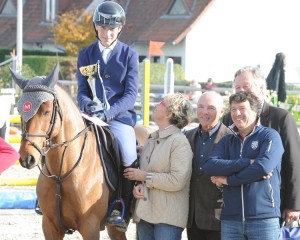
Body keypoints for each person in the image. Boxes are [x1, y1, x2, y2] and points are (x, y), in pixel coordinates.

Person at [76, 1, 139, 232]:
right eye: (102, 28)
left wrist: (109, 112)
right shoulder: (85, 54)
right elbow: (82, 90)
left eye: (111, 29)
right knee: (59, 139)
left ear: (119, 29)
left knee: (129, 152)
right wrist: (87, 104)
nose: (107, 33)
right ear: (96, 27)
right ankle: (47, 196)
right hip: (90, 116)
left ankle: (121, 205)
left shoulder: (129, 55)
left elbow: (131, 95)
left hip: (118, 118)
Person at [223, 66, 300, 224]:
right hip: (236, 206)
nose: (241, 91)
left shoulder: (280, 118)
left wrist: (294, 205)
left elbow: (294, 162)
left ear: (262, 88)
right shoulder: (228, 120)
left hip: (271, 205)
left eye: (246, 86)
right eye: (237, 88)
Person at [204, 91, 284, 240]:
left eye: (242, 109)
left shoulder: (270, 136)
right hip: (230, 221)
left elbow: (263, 167)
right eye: (233, 109)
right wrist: (247, 162)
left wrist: (228, 180)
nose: (237, 113)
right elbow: (209, 166)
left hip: (263, 219)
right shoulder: (227, 140)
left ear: (255, 111)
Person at [123, 93, 193, 240]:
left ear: (170, 113)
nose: (156, 105)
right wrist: (139, 185)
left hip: (168, 219)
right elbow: (145, 172)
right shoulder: (152, 138)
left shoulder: (179, 142)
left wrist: (143, 177)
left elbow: (177, 181)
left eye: (161, 103)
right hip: (145, 214)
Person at [184, 91, 231, 240]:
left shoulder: (231, 139)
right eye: (201, 107)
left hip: (218, 218)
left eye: (210, 108)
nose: (204, 112)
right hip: (192, 218)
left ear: (222, 111)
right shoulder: (187, 136)